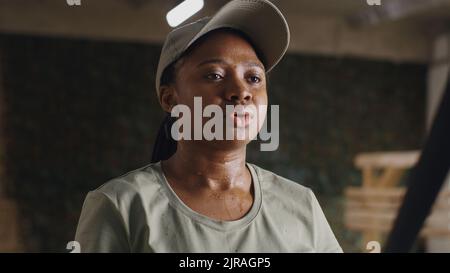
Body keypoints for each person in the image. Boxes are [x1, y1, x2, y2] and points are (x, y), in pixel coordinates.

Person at [74, 0, 343, 253]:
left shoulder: (301, 205)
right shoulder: (120, 205)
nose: (241, 92)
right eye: (214, 75)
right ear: (170, 98)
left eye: (253, 77)